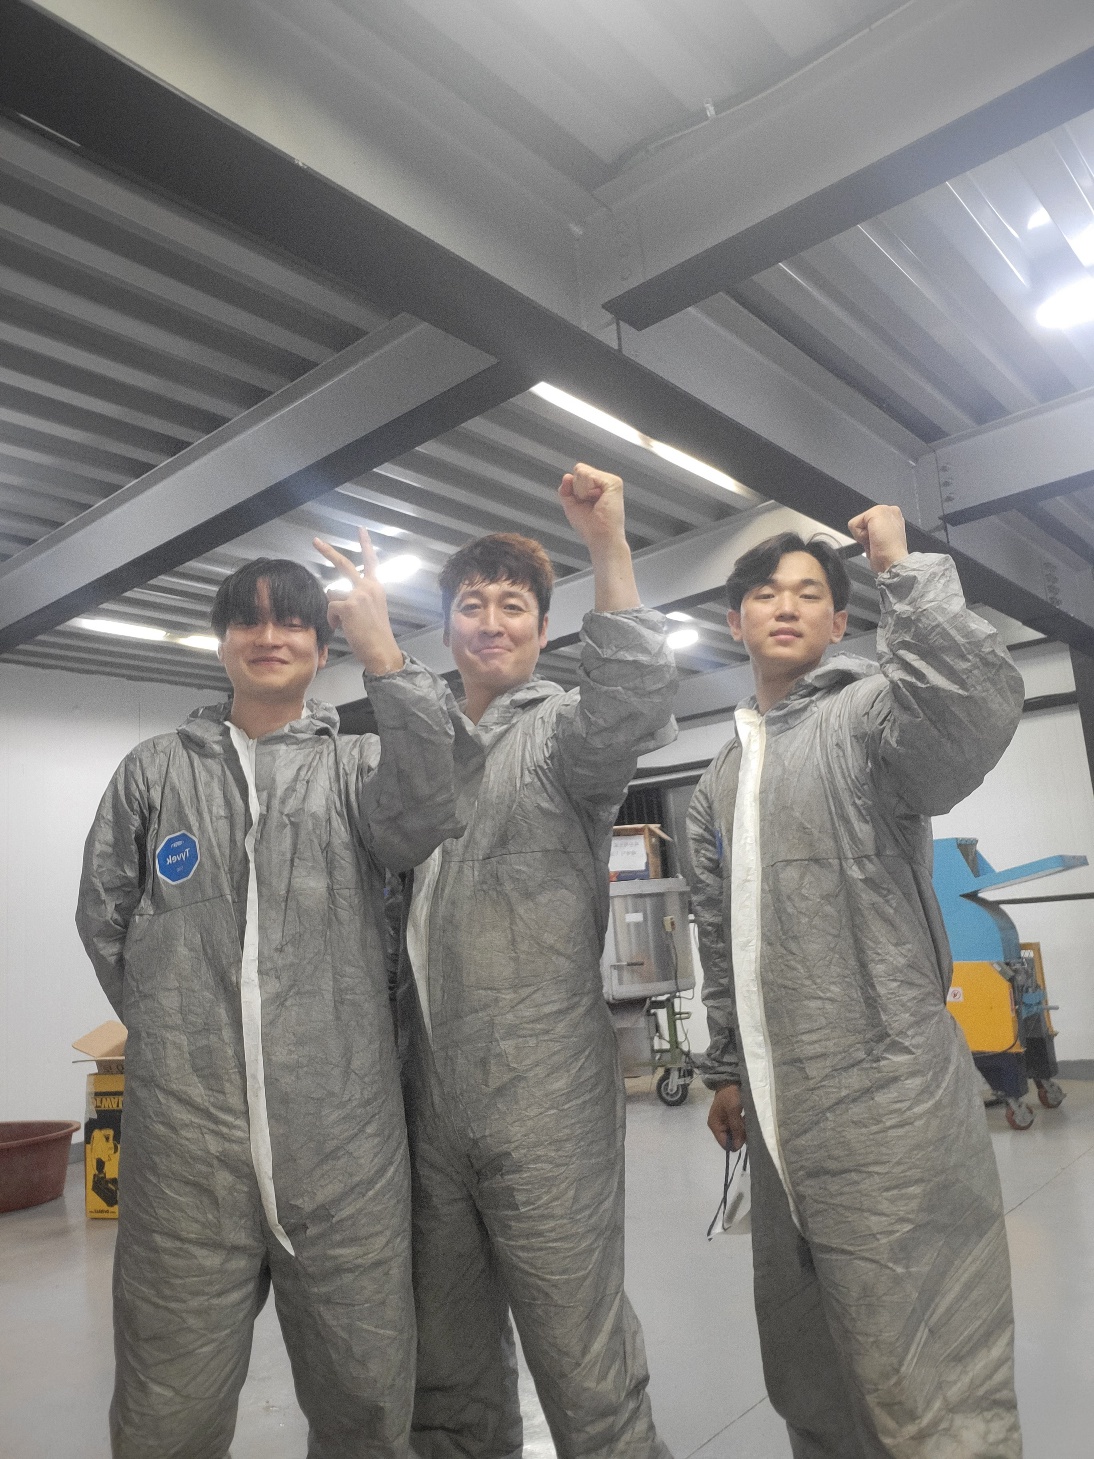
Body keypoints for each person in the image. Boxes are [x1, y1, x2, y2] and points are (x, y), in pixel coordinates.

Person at [76, 534, 482, 1459]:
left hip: (344, 1149)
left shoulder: (357, 769)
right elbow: (105, 915)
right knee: (165, 1411)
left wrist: (386, 651)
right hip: (186, 1154)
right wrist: (177, 1029)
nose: (269, 636)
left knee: (366, 1403)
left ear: (320, 645)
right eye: (249, 621)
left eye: (293, 621)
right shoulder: (154, 772)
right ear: (220, 640)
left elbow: (432, 805)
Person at [686, 505, 1024, 1459]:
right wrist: (726, 1067)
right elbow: (720, 933)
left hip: (890, 1106)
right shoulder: (719, 779)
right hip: (778, 1116)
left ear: (840, 621)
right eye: (765, 593)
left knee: (932, 1376)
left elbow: (973, 710)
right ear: (736, 621)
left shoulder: (872, 717)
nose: (786, 606)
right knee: (811, 1372)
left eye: (810, 594)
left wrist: (904, 573)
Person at [402, 463, 677, 1459]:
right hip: (424, 1101)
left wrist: (607, 542)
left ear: (542, 628)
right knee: (444, 1371)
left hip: (545, 1095)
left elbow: (630, 697)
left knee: (582, 1361)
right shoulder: (412, 754)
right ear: (446, 628)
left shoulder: (563, 737)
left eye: (512, 605)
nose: (490, 621)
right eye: (471, 604)